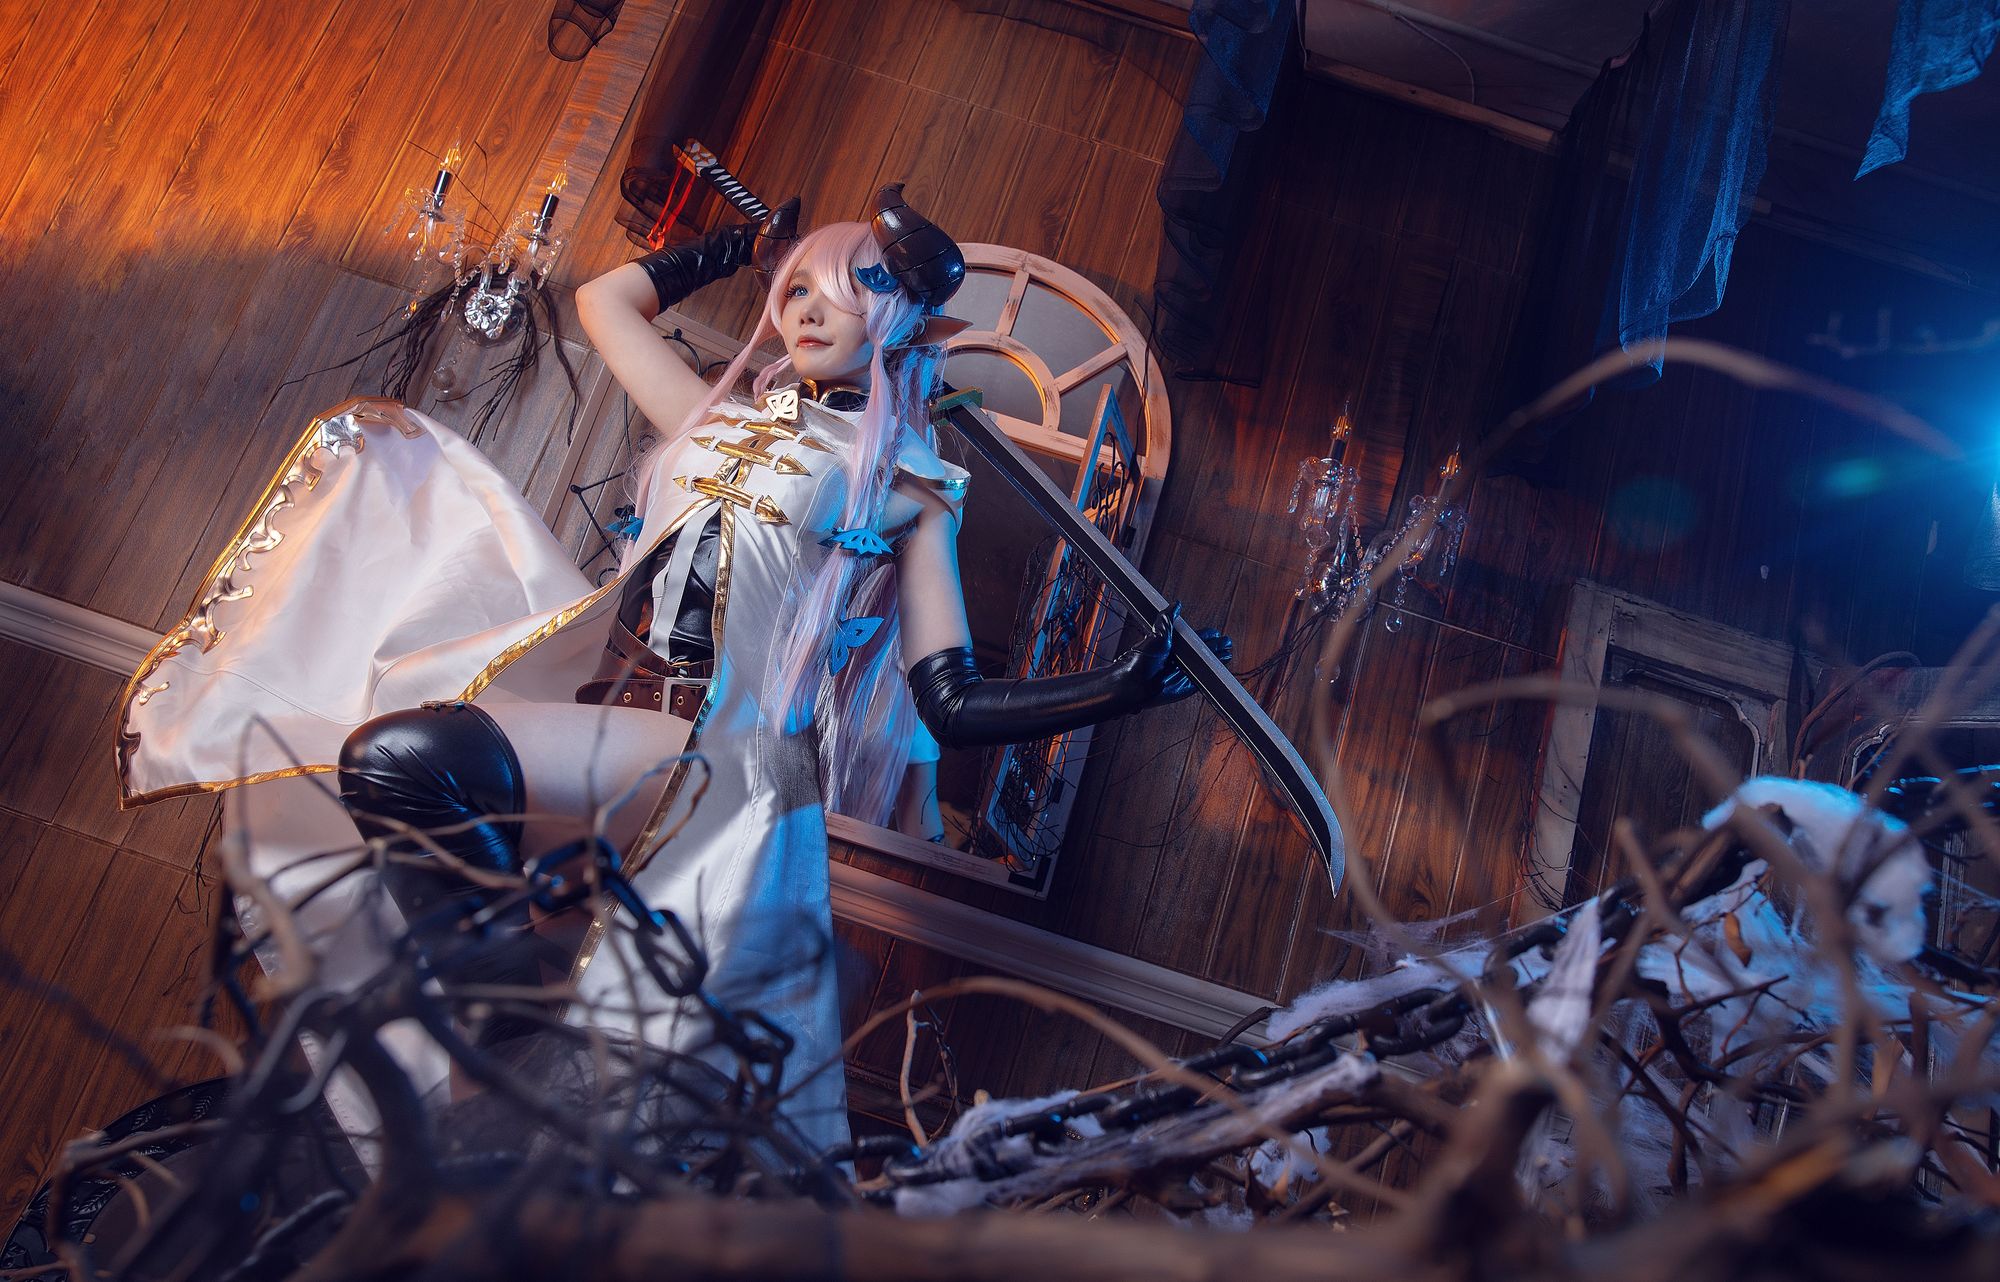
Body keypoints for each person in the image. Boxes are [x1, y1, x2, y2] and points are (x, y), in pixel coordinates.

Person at [117, 186, 1228, 1155]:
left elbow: (951, 697)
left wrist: (1120, 689)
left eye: (845, 287)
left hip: (735, 756)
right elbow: (605, 301)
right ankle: (501, 1037)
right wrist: (732, 249)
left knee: (412, 755)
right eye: (793, 287)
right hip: (634, 714)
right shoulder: (710, 420)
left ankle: (499, 1042)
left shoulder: (906, 483)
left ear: (900, 320)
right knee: (394, 756)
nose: (804, 308)